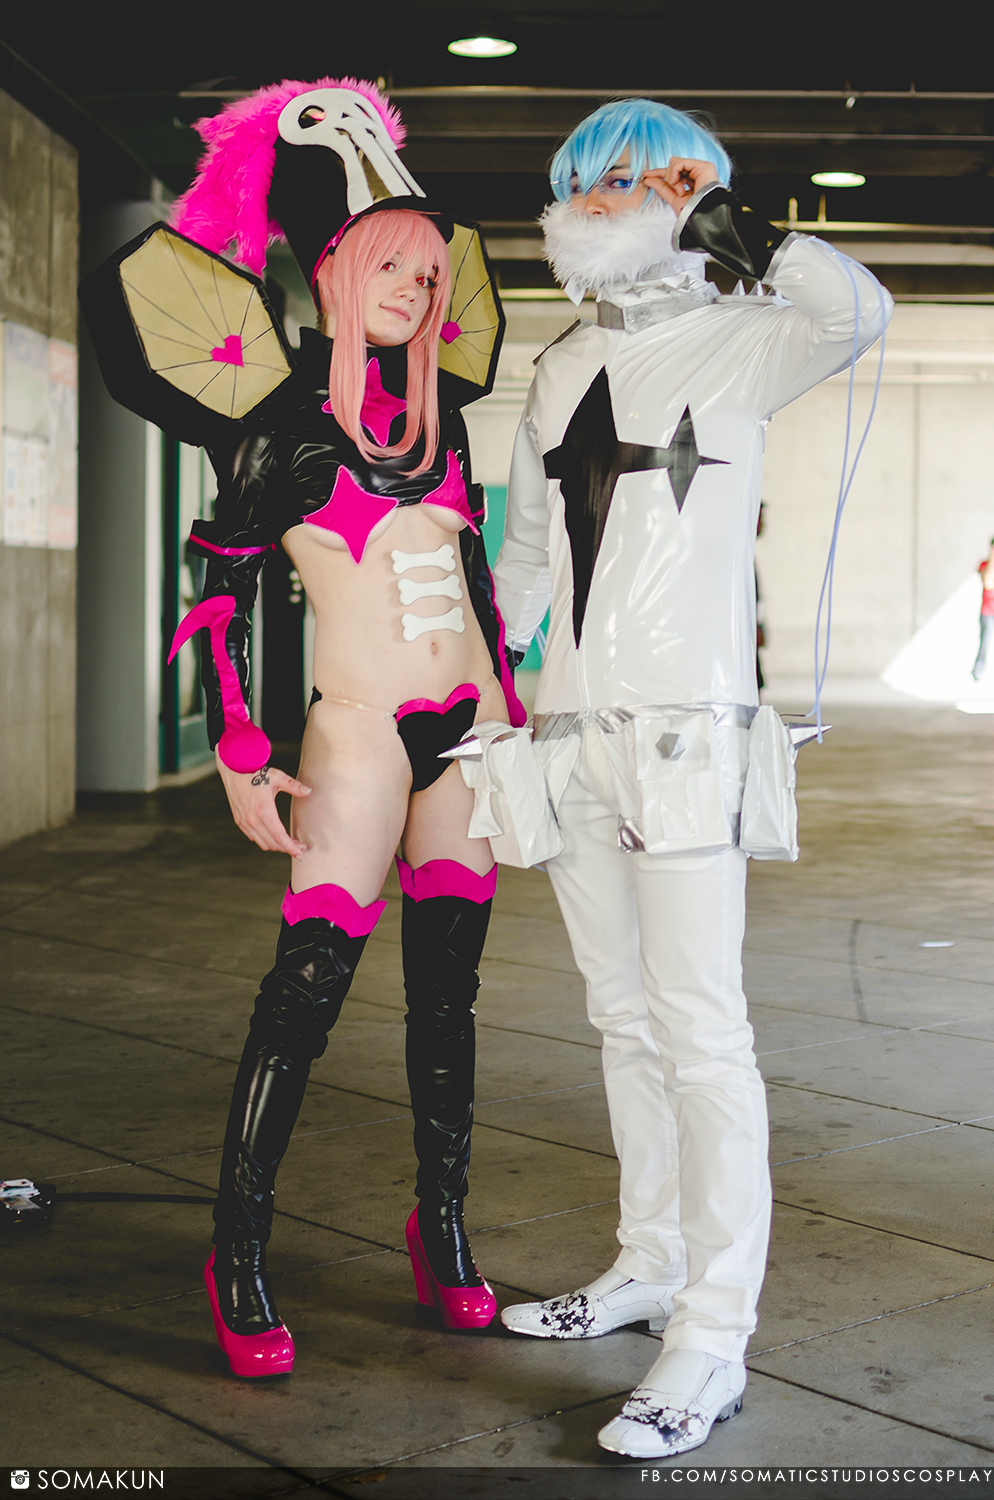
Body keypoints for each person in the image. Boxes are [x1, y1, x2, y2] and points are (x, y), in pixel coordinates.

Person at [493, 98, 891, 1457]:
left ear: (695, 197)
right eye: (593, 177)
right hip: (570, 730)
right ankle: (648, 1261)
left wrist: (742, 230)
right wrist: (478, 687)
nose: (614, 195)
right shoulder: (557, 366)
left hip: (687, 735)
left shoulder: (748, 335)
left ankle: (711, 1336)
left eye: (649, 179)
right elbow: (527, 555)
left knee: (701, 1031)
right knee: (619, 1018)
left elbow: (858, 313)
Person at [159, 79, 524, 1376]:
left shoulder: (442, 423)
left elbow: (475, 587)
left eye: (428, 274)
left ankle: (442, 1227)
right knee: (306, 992)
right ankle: (237, 1249)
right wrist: (239, 753)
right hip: (360, 730)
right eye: (391, 268)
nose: (415, 292)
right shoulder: (280, 430)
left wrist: (516, 714)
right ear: (332, 274)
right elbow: (216, 599)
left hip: (467, 731)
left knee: (449, 994)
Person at [971, 537, 994, 679]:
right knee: (984, 642)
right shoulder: (984, 564)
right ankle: (978, 670)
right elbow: (988, 583)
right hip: (988, 612)